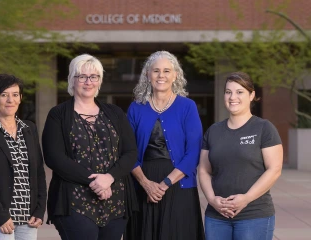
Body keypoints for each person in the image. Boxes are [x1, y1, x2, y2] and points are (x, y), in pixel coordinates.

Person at [42, 54, 138, 240]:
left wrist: (109, 177)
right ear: (72, 80)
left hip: (114, 198)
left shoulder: (115, 113)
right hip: (74, 199)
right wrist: (96, 182)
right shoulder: (58, 115)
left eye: (93, 77)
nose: (88, 82)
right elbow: (54, 157)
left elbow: (130, 152)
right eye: (82, 77)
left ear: (99, 80)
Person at [126, 50, 205, 240]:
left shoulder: (187, 106)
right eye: (156, 71)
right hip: (143, 185)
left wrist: (164, 184)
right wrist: (146, 184)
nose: (161, 76)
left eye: (167, 71)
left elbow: (193, 151)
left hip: (179, 184)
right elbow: (127, 151)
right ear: (147, 74)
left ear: (175, 75)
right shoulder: (136, 108)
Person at [198, 72, 283, 240]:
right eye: (228, 92)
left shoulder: (264, 128)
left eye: (239, 92)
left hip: (254, 215)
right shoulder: (213, 131)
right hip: (216, 217)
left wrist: (246, 199)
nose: (232, 97)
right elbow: (203, 170)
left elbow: (274, 170)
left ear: (251, 95)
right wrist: (212, 199)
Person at [0, 74, 47, 240]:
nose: (10, 100)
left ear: (20, 98)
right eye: (4, 95)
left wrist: (40, 210)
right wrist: (1, 216)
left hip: (28, 218)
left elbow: (38, 172)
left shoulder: (29, 129)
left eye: (15, 94)